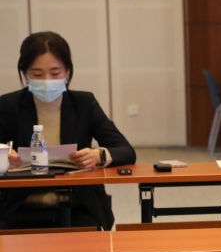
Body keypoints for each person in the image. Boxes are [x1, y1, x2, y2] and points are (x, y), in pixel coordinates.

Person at [0, 31, 136, 230]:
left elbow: (125, 150)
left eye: (55, 73)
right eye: (37, 74)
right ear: (25, 73)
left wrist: (97, 155)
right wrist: (3, 157)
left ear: (68, 72)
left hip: (77, 205)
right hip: (19, 206)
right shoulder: (8, 105)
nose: (47, 81)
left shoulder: (84, 103)